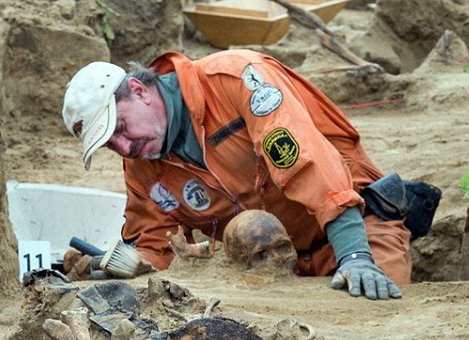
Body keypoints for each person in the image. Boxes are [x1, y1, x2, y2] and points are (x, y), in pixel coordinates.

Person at [62, 50, 414, 300]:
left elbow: (307, 164)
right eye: (110, 145)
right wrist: (113, 267)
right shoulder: (141, 165)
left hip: (354, 232)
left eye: (121, 127)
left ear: (139, 91)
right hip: (266, 271)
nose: (124, 147)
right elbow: (155, 249)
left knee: (383, 326)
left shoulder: (235, 79)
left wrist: (355, 257)